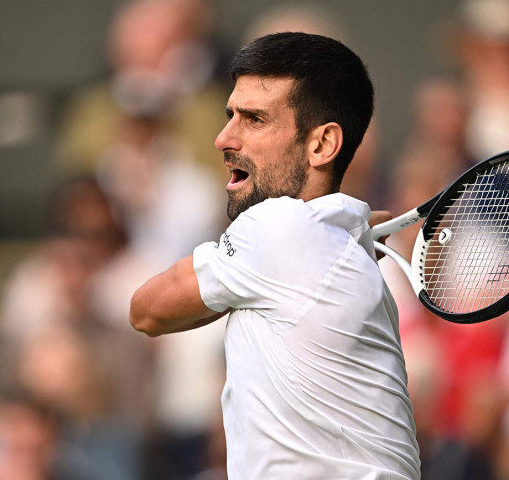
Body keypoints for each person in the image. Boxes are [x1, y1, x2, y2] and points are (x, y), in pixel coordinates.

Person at [130, 32, 421, 478]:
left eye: (255, 120)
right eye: (231, 115)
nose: (224, 137)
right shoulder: (338, 251)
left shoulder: (279, 228)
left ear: (322, 144)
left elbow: (147, 310)